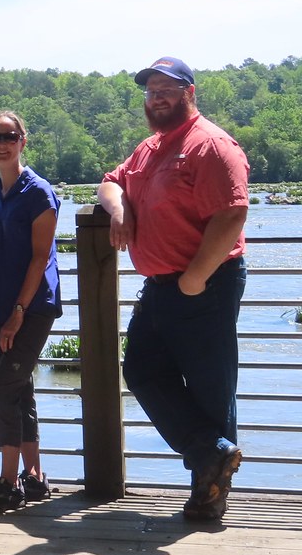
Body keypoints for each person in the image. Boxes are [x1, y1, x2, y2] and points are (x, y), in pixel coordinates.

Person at [98, 57, 249, 521]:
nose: (157, 97)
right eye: (151, 90)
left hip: (205, 284)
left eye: (167, 88)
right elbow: (111, 182)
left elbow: (232, 214)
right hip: (161, 286)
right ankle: (211, 451)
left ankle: (209, 498)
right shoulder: (151, 148)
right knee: (142, 370)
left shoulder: (211, 146)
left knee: (209, 390)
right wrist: (120, 210)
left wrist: (195, 278)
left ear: (190, 92)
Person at [0, 111, 62, 513]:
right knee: (20, 390)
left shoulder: (38, 192)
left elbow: (40, 258)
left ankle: (7, 483)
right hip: (0, 304)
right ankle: (34, 477)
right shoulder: (1, 191)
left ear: (23, 140)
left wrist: (19, 312)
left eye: (9, 136)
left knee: (2, 389)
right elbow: (12, 248)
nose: (1, 143)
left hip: (31, 307)